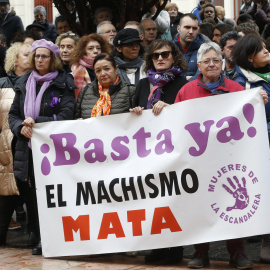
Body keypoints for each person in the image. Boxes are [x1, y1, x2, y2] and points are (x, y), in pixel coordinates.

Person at [174, 42, 267, 269]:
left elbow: (250, 117)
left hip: (230, 159)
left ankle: (238, 253)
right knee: (199, 206)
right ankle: (200, 252)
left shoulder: (237, 89)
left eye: (216, 60)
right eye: (207, 61)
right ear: (200, 65)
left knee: (235, 203)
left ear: (223, 63)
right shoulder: (186, 91)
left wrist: (259, 99)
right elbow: (174, 123)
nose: (212, 64)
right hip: (198, 161)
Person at [8, 39, 76, 255]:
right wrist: (21, 126)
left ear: (53, 59)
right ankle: (35, 233)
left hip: (52, 150)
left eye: (44, 56)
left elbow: (67, 114)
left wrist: (36, 121)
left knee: (48, 196)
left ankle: (49, 237)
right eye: (36, 55)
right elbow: (13, 115)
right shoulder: (23, 82)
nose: (39, 59)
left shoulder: (64, 82)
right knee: (30, 196)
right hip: (25, 149)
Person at [131, 39, 188, 263]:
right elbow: (136, 112)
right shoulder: (144, 85)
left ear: (174, 56)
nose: (161, 58)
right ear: (150, 60)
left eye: (165, 54)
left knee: (174, 201)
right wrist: (136, 110)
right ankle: (157, 248)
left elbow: (191, 114)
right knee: (152, 201)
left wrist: (171, 109)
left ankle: (176, 249)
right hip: (148, 153)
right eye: (156, 56)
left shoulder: (184, 83)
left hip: (174, 151)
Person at [0, 42, 31, 245]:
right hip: (5, 152)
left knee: (32, 199)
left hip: (28, 149)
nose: (33, 57)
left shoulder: (39, 83)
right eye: (27, 54)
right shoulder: (2, 83)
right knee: (5, 196)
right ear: (14, 59)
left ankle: (37, 239)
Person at [75, 53, 135, 119]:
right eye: (98, 71)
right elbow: (76, 118)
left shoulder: (130, 91)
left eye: (107, 69)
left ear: (116, 69)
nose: (103, 74)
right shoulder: (85, 92)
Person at [70, 34, 110, 98]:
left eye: (98, 48)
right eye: (90, 48)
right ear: (84, 51)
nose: (95, 51)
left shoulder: (109, 68)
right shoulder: (75, 71)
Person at [173, 13, 209, 79]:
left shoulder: (206, 50)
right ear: (178, 28)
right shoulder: (169, 48)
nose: (191, 31)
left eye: (194, 28)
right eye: (187, 27)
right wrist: (185, 78)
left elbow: (204, 76)